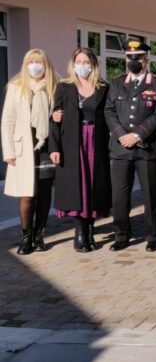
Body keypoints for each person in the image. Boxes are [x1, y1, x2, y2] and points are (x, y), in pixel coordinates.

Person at [105, 40, 156, 252]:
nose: (134, 61)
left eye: (138, 58)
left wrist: (138, 135)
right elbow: (109, 112)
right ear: (125, 59)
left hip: (148, 148)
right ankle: (122, 235)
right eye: (130, 58)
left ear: (146, 60)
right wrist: (122, 135)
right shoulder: (115, 83)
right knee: (119, 196)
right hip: (120, 148)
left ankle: (153, 236)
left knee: (150, 195)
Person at [49, 48, 111, 252]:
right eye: (79, 61)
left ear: (93, 64)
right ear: (73, 64)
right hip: (71, 142)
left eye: (86, 62)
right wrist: (54, 147)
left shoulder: (103, 87)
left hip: (96, 140)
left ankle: (91, 230)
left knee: (94, 184)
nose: (82, 65)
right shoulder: (64, 86)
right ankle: (80, 232)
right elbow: (54, 119)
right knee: (78, 185)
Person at [1, 49, 58, 255]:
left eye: (39, 61)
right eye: (31, 62)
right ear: (25, 65)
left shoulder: (54, 86)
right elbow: (7, 121)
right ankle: (26, 236)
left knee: (43, 194)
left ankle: (39, 233)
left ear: (46, 64)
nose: (35, 65)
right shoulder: (16, 87)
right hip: (23, 148)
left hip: (46, 148)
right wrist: (8, 151)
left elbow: (60, 116)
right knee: (26, 195)